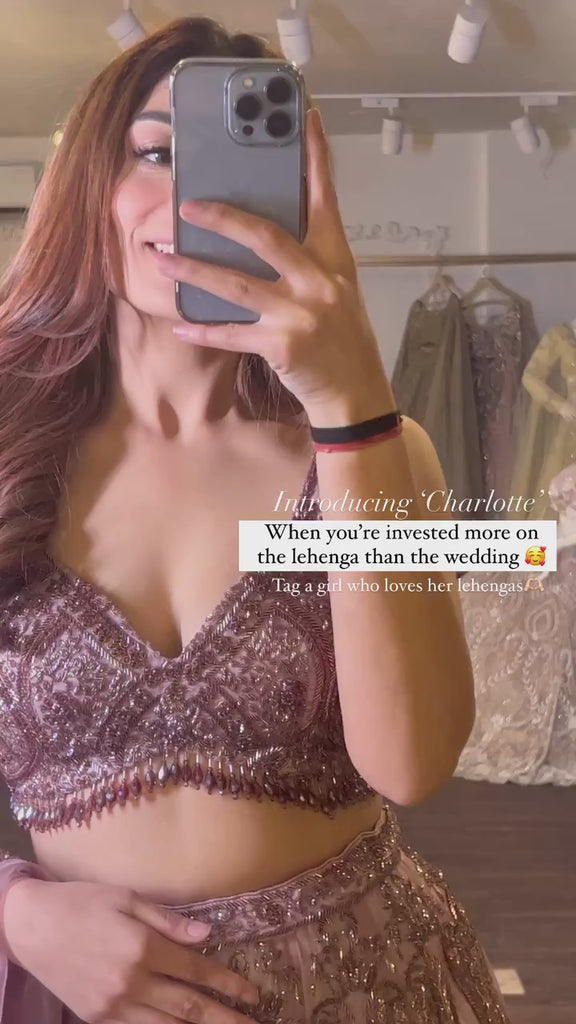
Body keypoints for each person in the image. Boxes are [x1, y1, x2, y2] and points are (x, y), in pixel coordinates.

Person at [0, 15, 510, 1024]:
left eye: (241, 164)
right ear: (89, 182)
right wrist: (14, 910)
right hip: (74, 994)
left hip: (367, 985)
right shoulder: (9, 449)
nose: (195, 197)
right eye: (156, 152)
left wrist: (351, 406)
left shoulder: (385, 450)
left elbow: (413, 763)